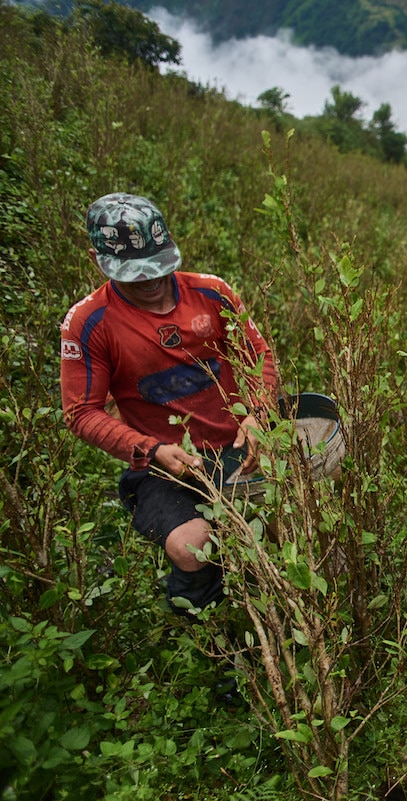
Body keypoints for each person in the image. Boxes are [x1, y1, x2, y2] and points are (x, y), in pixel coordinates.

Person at [60, 192, 277, 618]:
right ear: (96, 259)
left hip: (238, 448)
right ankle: (208, 637)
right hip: (163, 464)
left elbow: (260, 357)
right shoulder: (88, 322)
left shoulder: (213, 294)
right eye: (134, 275)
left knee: (282, 525)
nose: (150, 282)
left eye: (158, 267)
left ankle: (276, 613)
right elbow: (81, 412)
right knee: (193, 547)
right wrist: (151, 450)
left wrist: (257, 414)